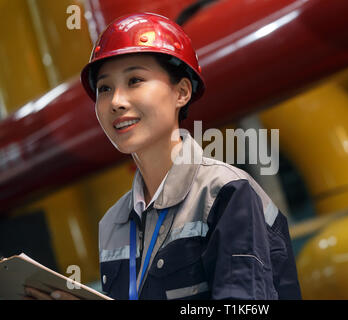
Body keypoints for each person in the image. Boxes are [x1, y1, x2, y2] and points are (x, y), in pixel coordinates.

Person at [25, 12, 301, 300]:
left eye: (135, 80)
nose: (116, 102)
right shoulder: (113, 223)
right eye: (104, 88)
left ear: (181, 92)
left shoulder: (226, 193)